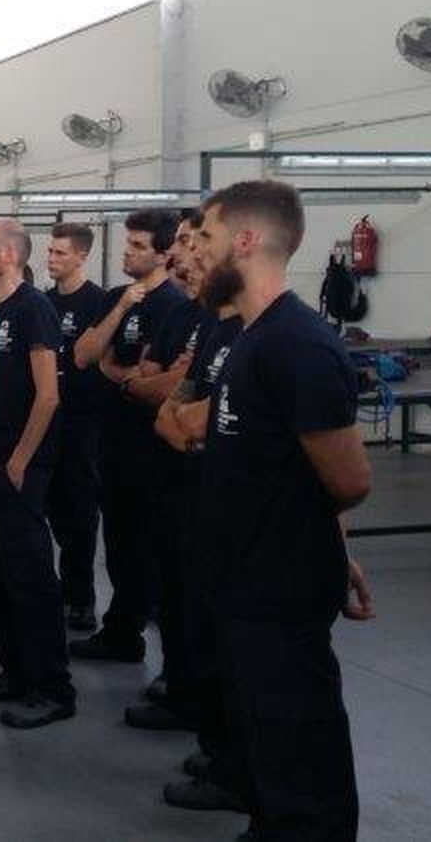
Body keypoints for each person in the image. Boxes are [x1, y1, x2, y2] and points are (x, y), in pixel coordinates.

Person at [192, 180, 373, 840]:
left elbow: (348, 479)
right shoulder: (251, 337)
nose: (195, 251)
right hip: (245, 582)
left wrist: (321, 546)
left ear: (244, 241)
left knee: (300, 748)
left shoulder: (295, 344)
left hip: (279, 588)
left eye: (206, 236)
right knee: (266, 743)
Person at [0, 220, 76, 729]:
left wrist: (20, 461)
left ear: (9, 255)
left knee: (30, 575)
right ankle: (15, 671)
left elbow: (47, 395)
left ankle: (52, 688)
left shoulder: (35, 309)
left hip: (20, 466)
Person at [152, 217, 248, 815]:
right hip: (194, 496)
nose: (185, 257)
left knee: (236, 653)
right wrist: (187, 426)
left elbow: (345, 476)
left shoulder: (262, 338)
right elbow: (173, 412)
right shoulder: (215, 331)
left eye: (197, 244)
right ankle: (218, 751)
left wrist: (187, 424)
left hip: (235, 518)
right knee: (197, 624)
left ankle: (238, 769)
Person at [69, 209, 186, 663]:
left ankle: (138, 630)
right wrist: (119, 309)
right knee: (118, 540)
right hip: (112, 436)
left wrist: (116, 371)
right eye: (128, 243)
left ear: (162, 254)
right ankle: (122, 630)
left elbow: (153, 380)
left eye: (138, 246)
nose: (127, 253)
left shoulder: (172, 305)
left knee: (146, 544)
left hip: (151, 444)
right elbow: (84, 355)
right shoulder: (117, 297)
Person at [120, 211, 218, 729]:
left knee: (202, 602)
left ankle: (203, 702)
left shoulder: (233, 328)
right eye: (179, 241)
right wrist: (154, 386)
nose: (182, 253)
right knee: (173, 593)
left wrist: (160, 389)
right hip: (164, 474)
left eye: (191, 241)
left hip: (205, 489)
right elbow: (152, 386)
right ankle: (180, 685)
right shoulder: (184, 316)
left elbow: (175, 402)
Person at [43, 223, 110, 632]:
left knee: (79, 513)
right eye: (50, 252)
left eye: (60, 253)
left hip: (82, 423)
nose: (52, 259)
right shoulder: (43, 303)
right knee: (47, 508)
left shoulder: (99, 303)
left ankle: (80, 598)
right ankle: (49, 593)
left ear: (82, 256)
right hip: (47, 420)